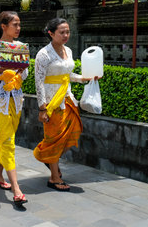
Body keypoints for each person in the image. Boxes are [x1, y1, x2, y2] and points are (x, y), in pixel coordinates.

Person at [34, 18, 99, 191]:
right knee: (54, 139)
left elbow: (68, 74)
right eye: (61, 32)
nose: (65, 35)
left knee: (68, 135)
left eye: (67, 32)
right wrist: (42, 108)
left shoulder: (68, 50)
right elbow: (39, 82)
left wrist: (84, 78)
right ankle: (54, 178)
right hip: (51, 102)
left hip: (68, 98)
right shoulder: (44, 54)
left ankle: (49, 159)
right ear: (51, 33)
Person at [0, 11, 28, 206]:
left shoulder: (21, 47)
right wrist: (1, 72)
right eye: (15, 24)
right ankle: (16, 188)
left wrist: (18, 74)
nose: (18, 28)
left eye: (19, 25)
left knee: (5, 139)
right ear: (4, 26)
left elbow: (25, 74)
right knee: (9, 141)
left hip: (16, 98)